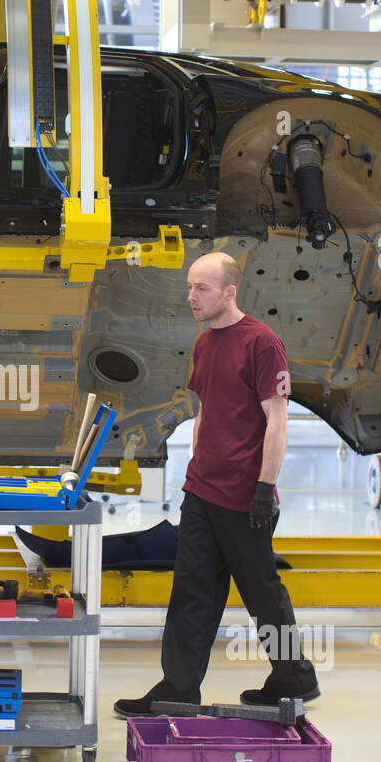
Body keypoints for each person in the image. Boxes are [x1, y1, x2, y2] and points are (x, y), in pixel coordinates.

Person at [114, 251, 319, 717]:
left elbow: (277, 421)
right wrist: (193, 471)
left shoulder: (263, 343)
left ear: (230, 292)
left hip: (246, 496)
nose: (191, 296)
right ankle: (178, 688)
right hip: (202, 491)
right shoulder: (206, 342)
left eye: (201, 288)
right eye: (189, 287)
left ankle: (294, 679)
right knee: (192, 590)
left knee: (262, 593)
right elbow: (206, 411)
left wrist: (265, 488)